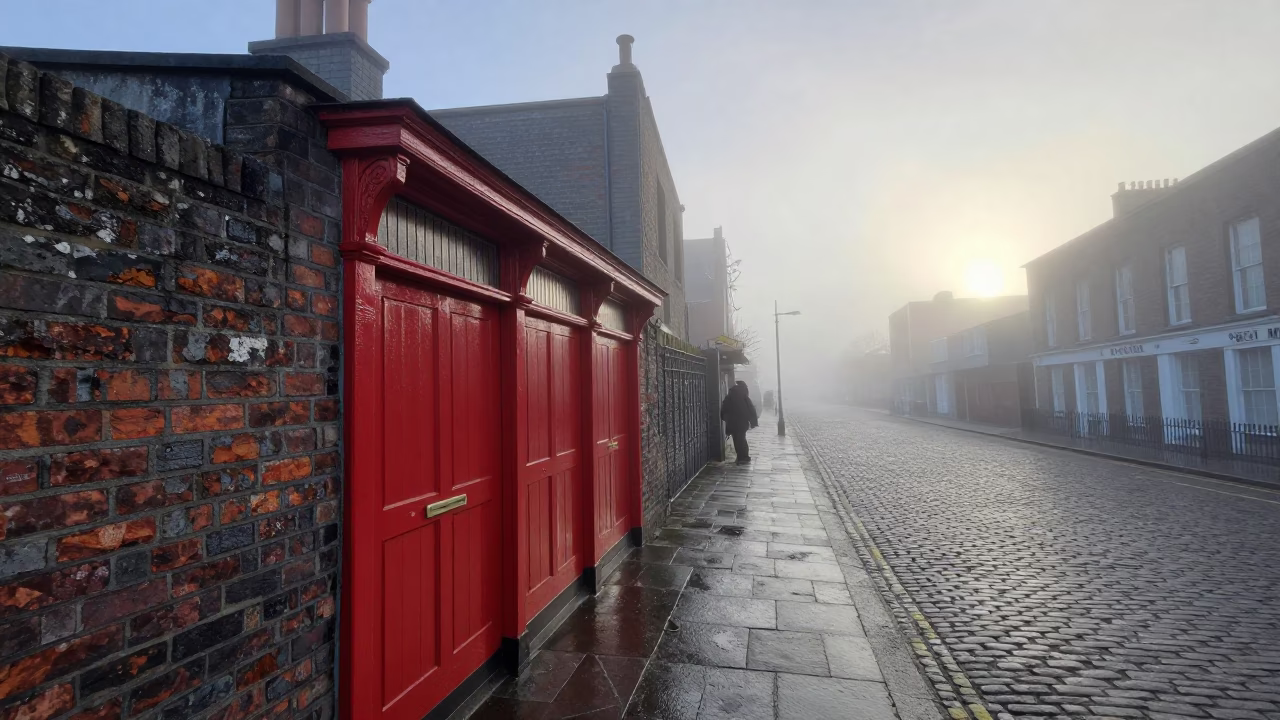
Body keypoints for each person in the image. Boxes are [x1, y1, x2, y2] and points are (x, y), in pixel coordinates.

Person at [721, 381, 759, 464]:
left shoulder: (730, 395)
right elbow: (751, 409)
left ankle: (741, 456)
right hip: (743, 422)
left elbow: (725, 407)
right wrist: (753, 422)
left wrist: (724, 417)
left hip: (732, 422)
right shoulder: (745, 397)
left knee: (736, 439)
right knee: (742, 438)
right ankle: (744, 456)